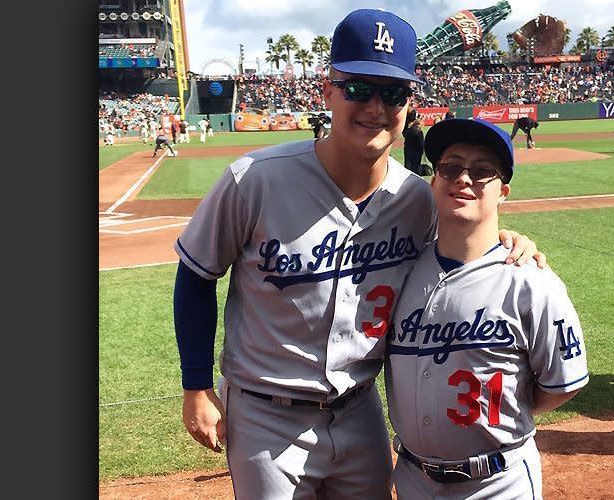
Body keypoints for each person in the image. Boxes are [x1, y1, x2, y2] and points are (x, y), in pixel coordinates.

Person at [173, 9, 545, 499]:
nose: (375, 106)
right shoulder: (256, 180)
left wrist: (511, 242)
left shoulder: (418, 200)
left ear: (409, 105)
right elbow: (196, 273)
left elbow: (462, 247)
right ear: (328, 91)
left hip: (360, 406)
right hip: (266, 416)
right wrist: (196, 386)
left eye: (392, 93)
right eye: (358, 88)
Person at [386, 118, 589, 499]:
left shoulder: (531, 281)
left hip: (499, 483)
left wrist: (511, 410)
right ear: (435, 181)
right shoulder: (401, 274)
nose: (464, 179)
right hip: (413, 481)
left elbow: (562, 385)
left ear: (503, 192)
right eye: (451, 168)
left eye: (482, 172)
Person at [402, 110, 426, 175]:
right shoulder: (419, 132)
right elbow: (421, 143)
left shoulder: (408, 130)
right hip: (416, 152)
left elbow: (404, 134)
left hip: (408, 150)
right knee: (416, 167)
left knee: (407, 166)